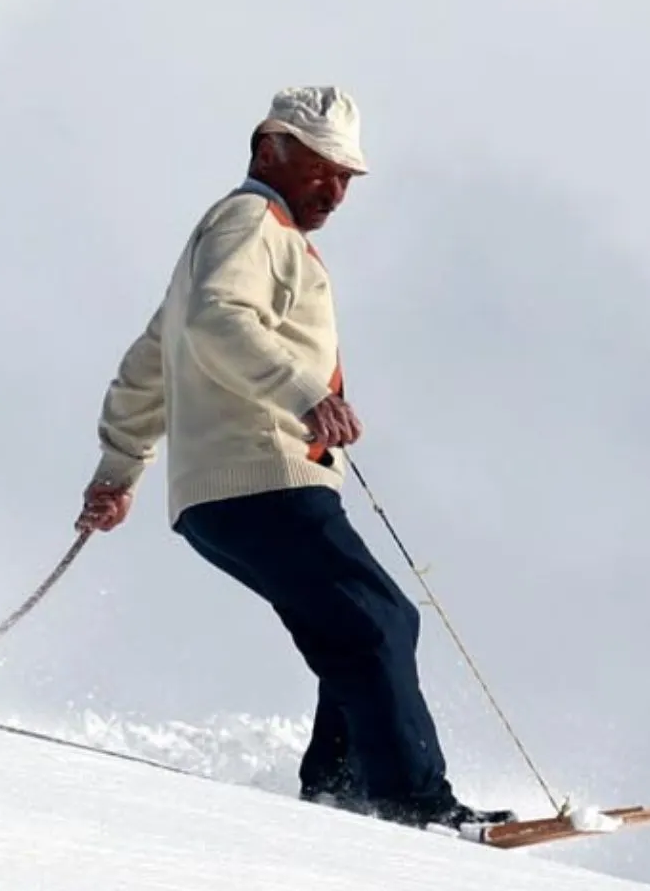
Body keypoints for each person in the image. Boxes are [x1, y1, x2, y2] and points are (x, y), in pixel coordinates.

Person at [76, 87, 493, 831]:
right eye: (321, 169)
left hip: (218, 497)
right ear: (269, 150)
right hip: (263, 475)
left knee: (361, 626)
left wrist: (118, 469)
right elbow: (217, 321)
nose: (334, 191)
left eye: (346, 177)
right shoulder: (250, 222)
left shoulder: (226, 244)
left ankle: (340, 793)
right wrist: (303, 394)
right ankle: (412, 803)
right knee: (377, 621)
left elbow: (149, 363)